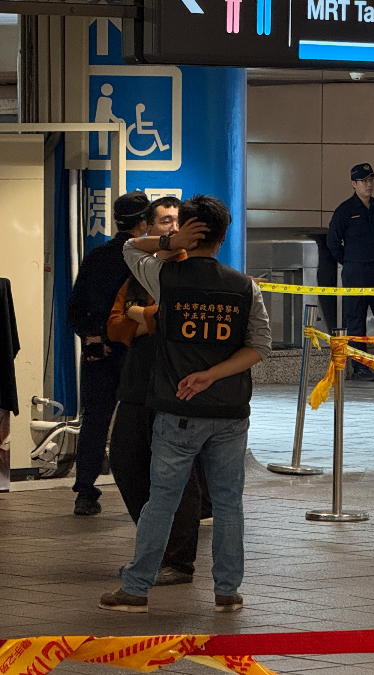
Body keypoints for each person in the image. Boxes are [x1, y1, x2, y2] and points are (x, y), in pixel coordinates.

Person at [100, 195, 271, 613]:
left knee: (162, 500)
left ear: (187, 233)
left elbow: (129, 247)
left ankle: (136, 589)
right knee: (228, 503)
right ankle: (227, 590)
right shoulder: (245, 286)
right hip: (230, 412)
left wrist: (168, 243)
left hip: (178, 410)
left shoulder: (165, 278)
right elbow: (260, 346)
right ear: (224, 236)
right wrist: (213, 374)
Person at [105, 196, 202, 587]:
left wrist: (140, 316)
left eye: (178, 221)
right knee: (125, 461)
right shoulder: (138, 272)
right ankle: (154, 546)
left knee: (177, 473)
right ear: (150, 227)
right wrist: (148, 319)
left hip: (177, 386)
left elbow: (173, 321)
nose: (172, 228)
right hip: (136, 385)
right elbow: (114, 325)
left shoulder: (192, 272)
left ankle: (178, 561)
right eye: (164, 221)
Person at [66, 191, 150, 516]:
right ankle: (147, 493)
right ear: (144, 223)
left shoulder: (97, 256)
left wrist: (92, 337)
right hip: (137, 353)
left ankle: (85, 492)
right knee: (143, 421)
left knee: (95, 421)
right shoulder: (147, 259)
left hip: (98, 354)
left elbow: (75, 308)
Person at [327, 163, 374, 381]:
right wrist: (349, 262)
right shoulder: (345, 211)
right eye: (364, 181)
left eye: (371, 180)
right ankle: (361, 367)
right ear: (354, 184)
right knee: (356, 320)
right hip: (355, 272)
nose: (369, 185)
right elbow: (333, 242)